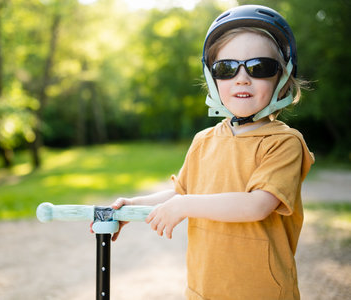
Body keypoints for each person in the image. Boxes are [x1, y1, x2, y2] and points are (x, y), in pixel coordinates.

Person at [109, 5, 315, 300]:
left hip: (262, 291)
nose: (242, 78)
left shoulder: (283, 143)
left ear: (282, 77)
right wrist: (134, 205)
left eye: (259, 67)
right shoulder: (204, 140)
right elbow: (182, 193)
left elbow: (257, 205)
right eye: (226, 68)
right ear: (213, 77)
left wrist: (185, 206)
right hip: (205, 289)